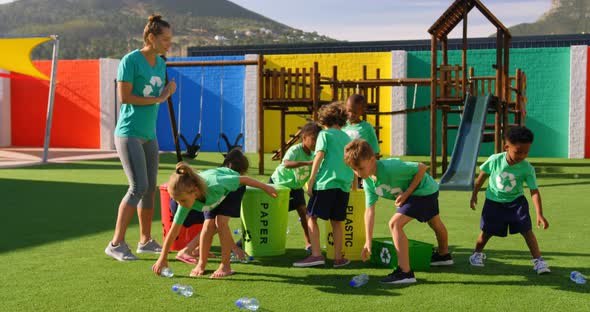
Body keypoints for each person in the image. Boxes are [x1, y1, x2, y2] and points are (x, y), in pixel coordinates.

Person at [105, 14, 177, 261]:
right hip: (129, 133)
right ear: (151, 37)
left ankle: (145, 241)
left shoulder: (160, 63)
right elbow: (125, 97)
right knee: (137, 187)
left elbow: (157, 96)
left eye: (170, 39)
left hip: (149, 134)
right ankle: (116, 244)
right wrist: (158, 98)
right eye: (165, 39)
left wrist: (166, 92)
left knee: (149, 190)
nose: (169, 43)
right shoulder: (130, 61)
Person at [344, 139, 453, 284]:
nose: (358, 173)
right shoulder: (368, 182)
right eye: (354, 169)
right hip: (423, 192)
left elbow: (421, 167)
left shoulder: (391, 167)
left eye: (361, 168)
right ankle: (444, 256)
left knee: (395, 224)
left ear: (372, 160)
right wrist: (368, 242)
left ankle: (405, 273)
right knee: (434, 222)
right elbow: (369, 211)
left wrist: (407, 193)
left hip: (424, 190)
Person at [152, 160, 277, 279]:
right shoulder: (185, 201)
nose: (180, 204)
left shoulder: (216, 183)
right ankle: (201, 263)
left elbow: (243, 179)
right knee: (207, 227)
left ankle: (225, 266)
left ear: (195, 191)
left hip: (232, 190)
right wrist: (162, 258)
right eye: (177, 200)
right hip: (212, 198)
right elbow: (173, 231)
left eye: (182, 200)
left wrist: (266, 187)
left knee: (220, 223)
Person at [469, 126, 550, 274]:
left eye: (526, 152)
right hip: (494, 202)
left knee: (527, 231)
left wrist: (540, 214)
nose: (522, 156)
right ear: (506, 146)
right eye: (518, 152)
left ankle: (539, 261)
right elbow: (481, 177)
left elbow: (534, 191)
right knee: (486, 231)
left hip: (516, 203)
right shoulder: (494, 160)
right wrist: (474, 194)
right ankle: (476, 254)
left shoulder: (527, 168)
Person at [293, 102, 354, 268]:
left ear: (324, 120)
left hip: (326, 183)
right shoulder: (347, 137)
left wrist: (311, 180)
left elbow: (319, 156)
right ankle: (338, 258)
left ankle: (316, 255)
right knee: (337, 221)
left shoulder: (324, 135)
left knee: (311, 217)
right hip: (343, 185)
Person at [174, 149, 250, 264]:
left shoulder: (213, 176)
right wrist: (234, 248)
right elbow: (221, 225)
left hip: (184, 206)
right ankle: (189, 251)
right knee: (213, 224)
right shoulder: (225, 183)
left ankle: (195, 250)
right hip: (193, 208)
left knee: (211, 225)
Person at [270, 122, 322, 251]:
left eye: (318, 140)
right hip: (278, 185)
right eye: (313, 140)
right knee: (270, 216)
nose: (315, 143)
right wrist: (307, 163)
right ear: (304, 138)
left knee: (304, 213)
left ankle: (308, 243)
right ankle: (243, 242)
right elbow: (286, 163)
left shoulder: (315, 154)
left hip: (295, 188)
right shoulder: (295, 150)